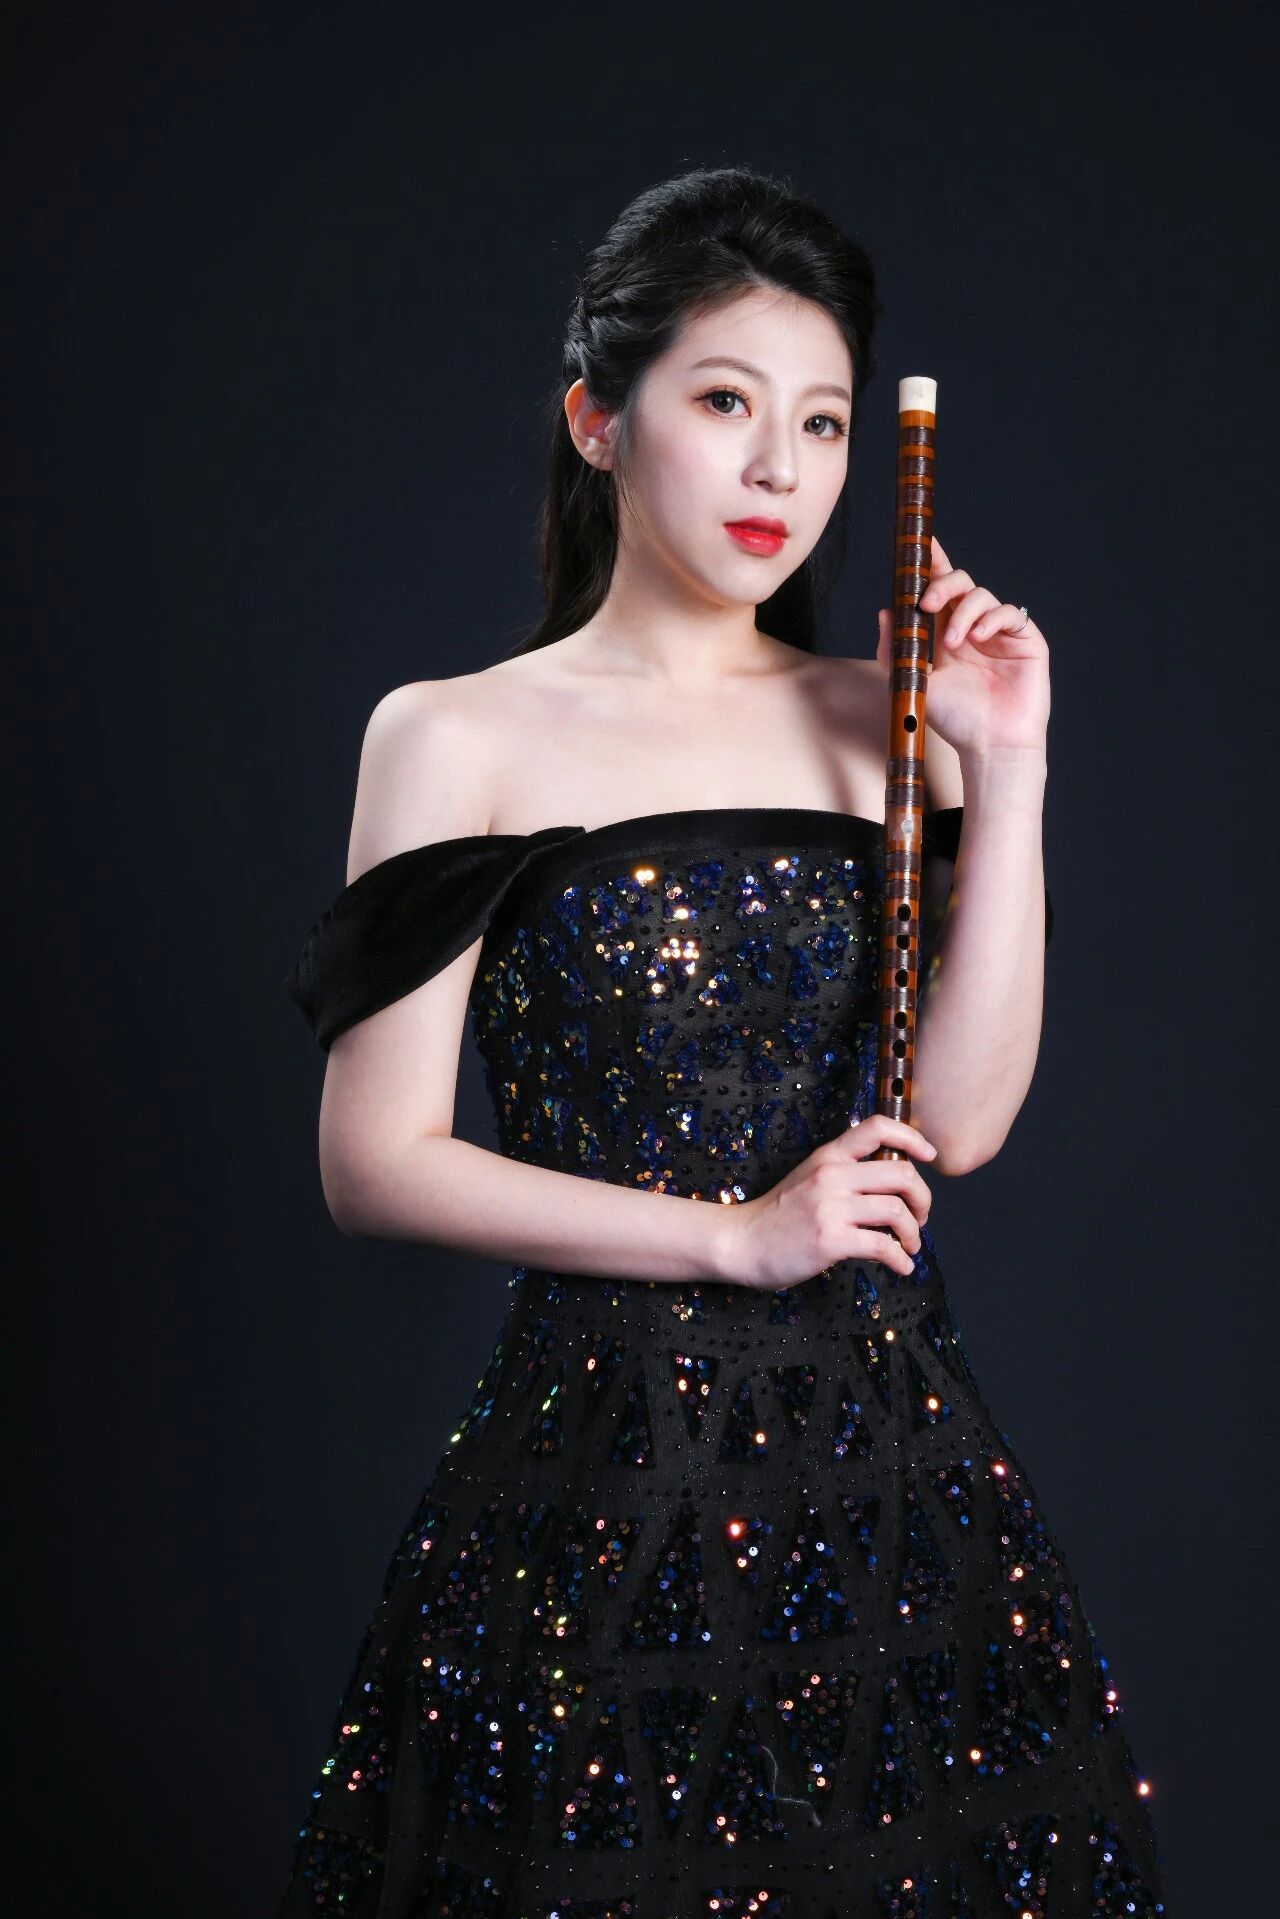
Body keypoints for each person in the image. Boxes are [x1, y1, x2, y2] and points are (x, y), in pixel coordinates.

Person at [279, 164, 1166, 1918]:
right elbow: (374, 1163)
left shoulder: (892, 720)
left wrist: (1013, 764)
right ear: (596, 422)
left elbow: (959, 1127)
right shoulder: (451, 736)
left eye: (824, 423)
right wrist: (734, 1238)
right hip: (597, 1489)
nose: (782, 470)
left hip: (894, 1485)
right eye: (725, 403)